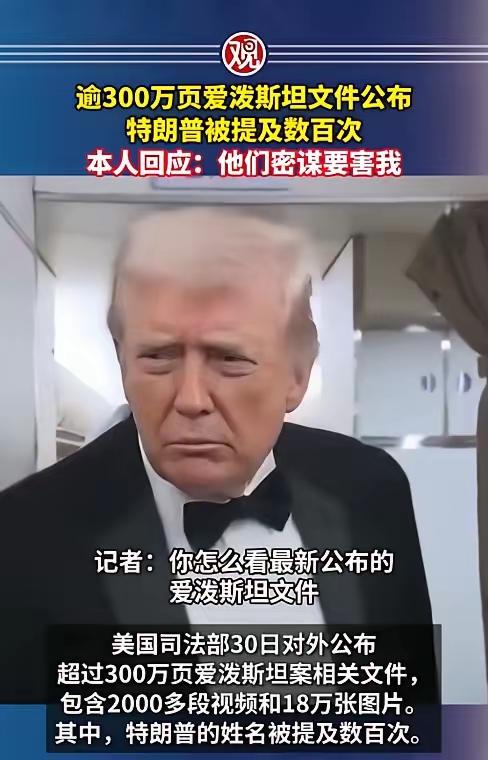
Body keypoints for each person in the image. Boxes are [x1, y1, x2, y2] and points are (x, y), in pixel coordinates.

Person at [0, 208, 434, 701]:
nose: (191, 399)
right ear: (122, 362)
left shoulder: (371, 487)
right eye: (158, 356)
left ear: (296, 375)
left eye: (230, 358)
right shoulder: (23, 534)